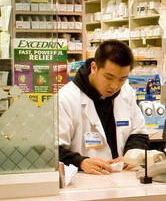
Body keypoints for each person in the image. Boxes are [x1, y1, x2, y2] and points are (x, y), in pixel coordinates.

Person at [58, 40, 148, 176]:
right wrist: (80, 162)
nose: (114, 86)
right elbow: (52, 151)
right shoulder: (66, 98)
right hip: (83, 182)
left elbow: (138, 133)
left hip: (122, 179)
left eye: (122, 79)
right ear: (94, 68)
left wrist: (131, 155)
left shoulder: (126, 93)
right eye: (109, 77)